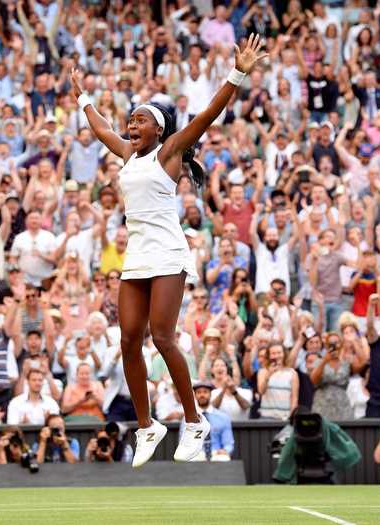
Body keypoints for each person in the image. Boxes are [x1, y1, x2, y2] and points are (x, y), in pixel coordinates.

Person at [71, 34, 267, 467]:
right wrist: (83, 95)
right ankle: (147, 426)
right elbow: (101, 127)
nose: (131, 126)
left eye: (140, 120)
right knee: (127, 340)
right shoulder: (127, 154)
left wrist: (237, 73)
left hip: (168, 253)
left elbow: (208, 114)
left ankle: (194, 421)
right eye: (131, 121)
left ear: (159, 128)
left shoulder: (170, 153)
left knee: (161, 337)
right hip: (137, 254)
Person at [184, 381, 234, 461]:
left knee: (223, 459)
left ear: (210, 394)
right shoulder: (187, 418)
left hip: (216, 453)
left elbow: (228, 443)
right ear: (195, 395)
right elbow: (183, 443)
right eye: (198, 392)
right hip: (196, 454)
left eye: (205, 392)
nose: (202, 395)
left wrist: (225, 450)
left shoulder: (223, 418)